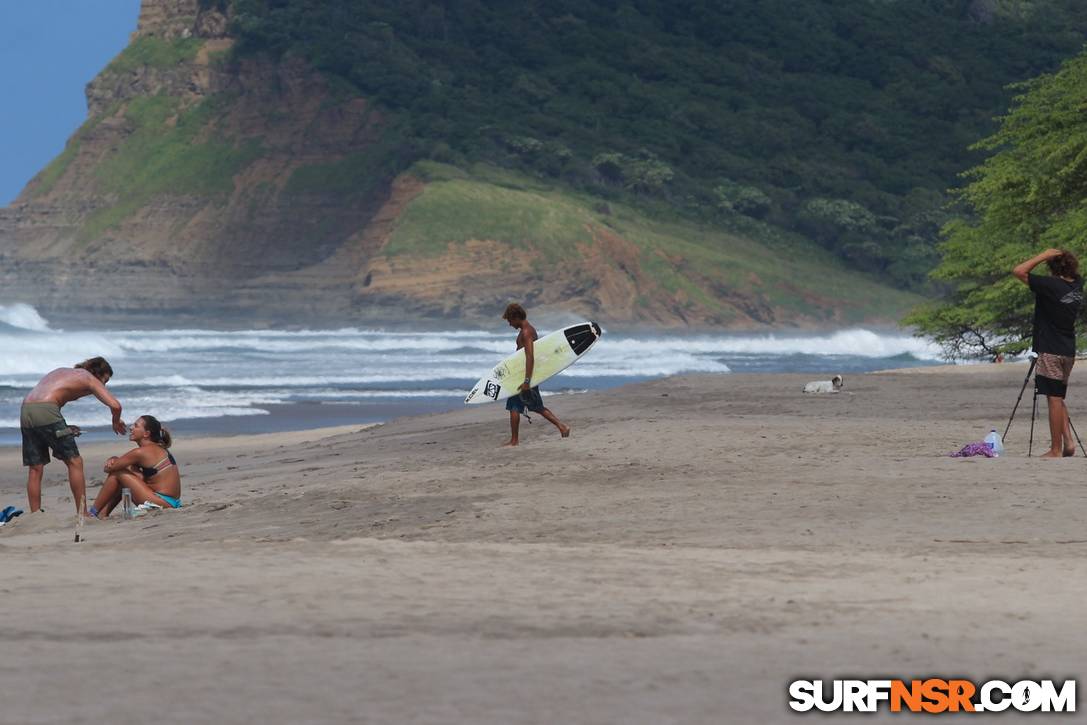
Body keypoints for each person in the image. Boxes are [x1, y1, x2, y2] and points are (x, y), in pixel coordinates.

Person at [21, 357, 125, 514]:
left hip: (26, 409)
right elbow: (116, 406)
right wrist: (116, 421)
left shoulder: (63, 371)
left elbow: (46, 405)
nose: (104, 385)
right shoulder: (88, 377)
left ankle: (35, 515)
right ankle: (82, 513)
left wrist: (65, 429)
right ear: (98, 373)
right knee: (75, 462)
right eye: (105, 380)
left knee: (35, 468)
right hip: (46, 410)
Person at [1013, 248, 1084, 458]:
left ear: (1052, 268)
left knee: (1053, 398)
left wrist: (1043, 255)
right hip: (1068, 350)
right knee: (1058, 396)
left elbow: (1018, 271)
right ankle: (1069, 442)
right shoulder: (1078, 286)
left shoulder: (1050, 285)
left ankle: (1055, 449)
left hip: (1050, 349)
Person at [501, 303, 571, 446]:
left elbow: (530, 357)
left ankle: (514, 441)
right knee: (534, 406)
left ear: (515, 317)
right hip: (525, 375)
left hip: (525, 376)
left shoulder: (526, 332)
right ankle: (562, 426)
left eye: (510, 320)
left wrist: (527, 381)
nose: (509, 324)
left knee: (514, 406)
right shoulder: (527, 330)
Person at [90, 415, 181, 518]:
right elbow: (138, 475)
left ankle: (93, 512)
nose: (131, 427)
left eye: (136, 426)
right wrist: (116, 461)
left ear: (146, 434)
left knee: (118, 473)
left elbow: (108, 468)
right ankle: (102, 513)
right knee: (126, 471)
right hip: (172, 501)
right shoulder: (158, 448)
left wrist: (113, 459)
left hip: (161, 501)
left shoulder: (141, 452)